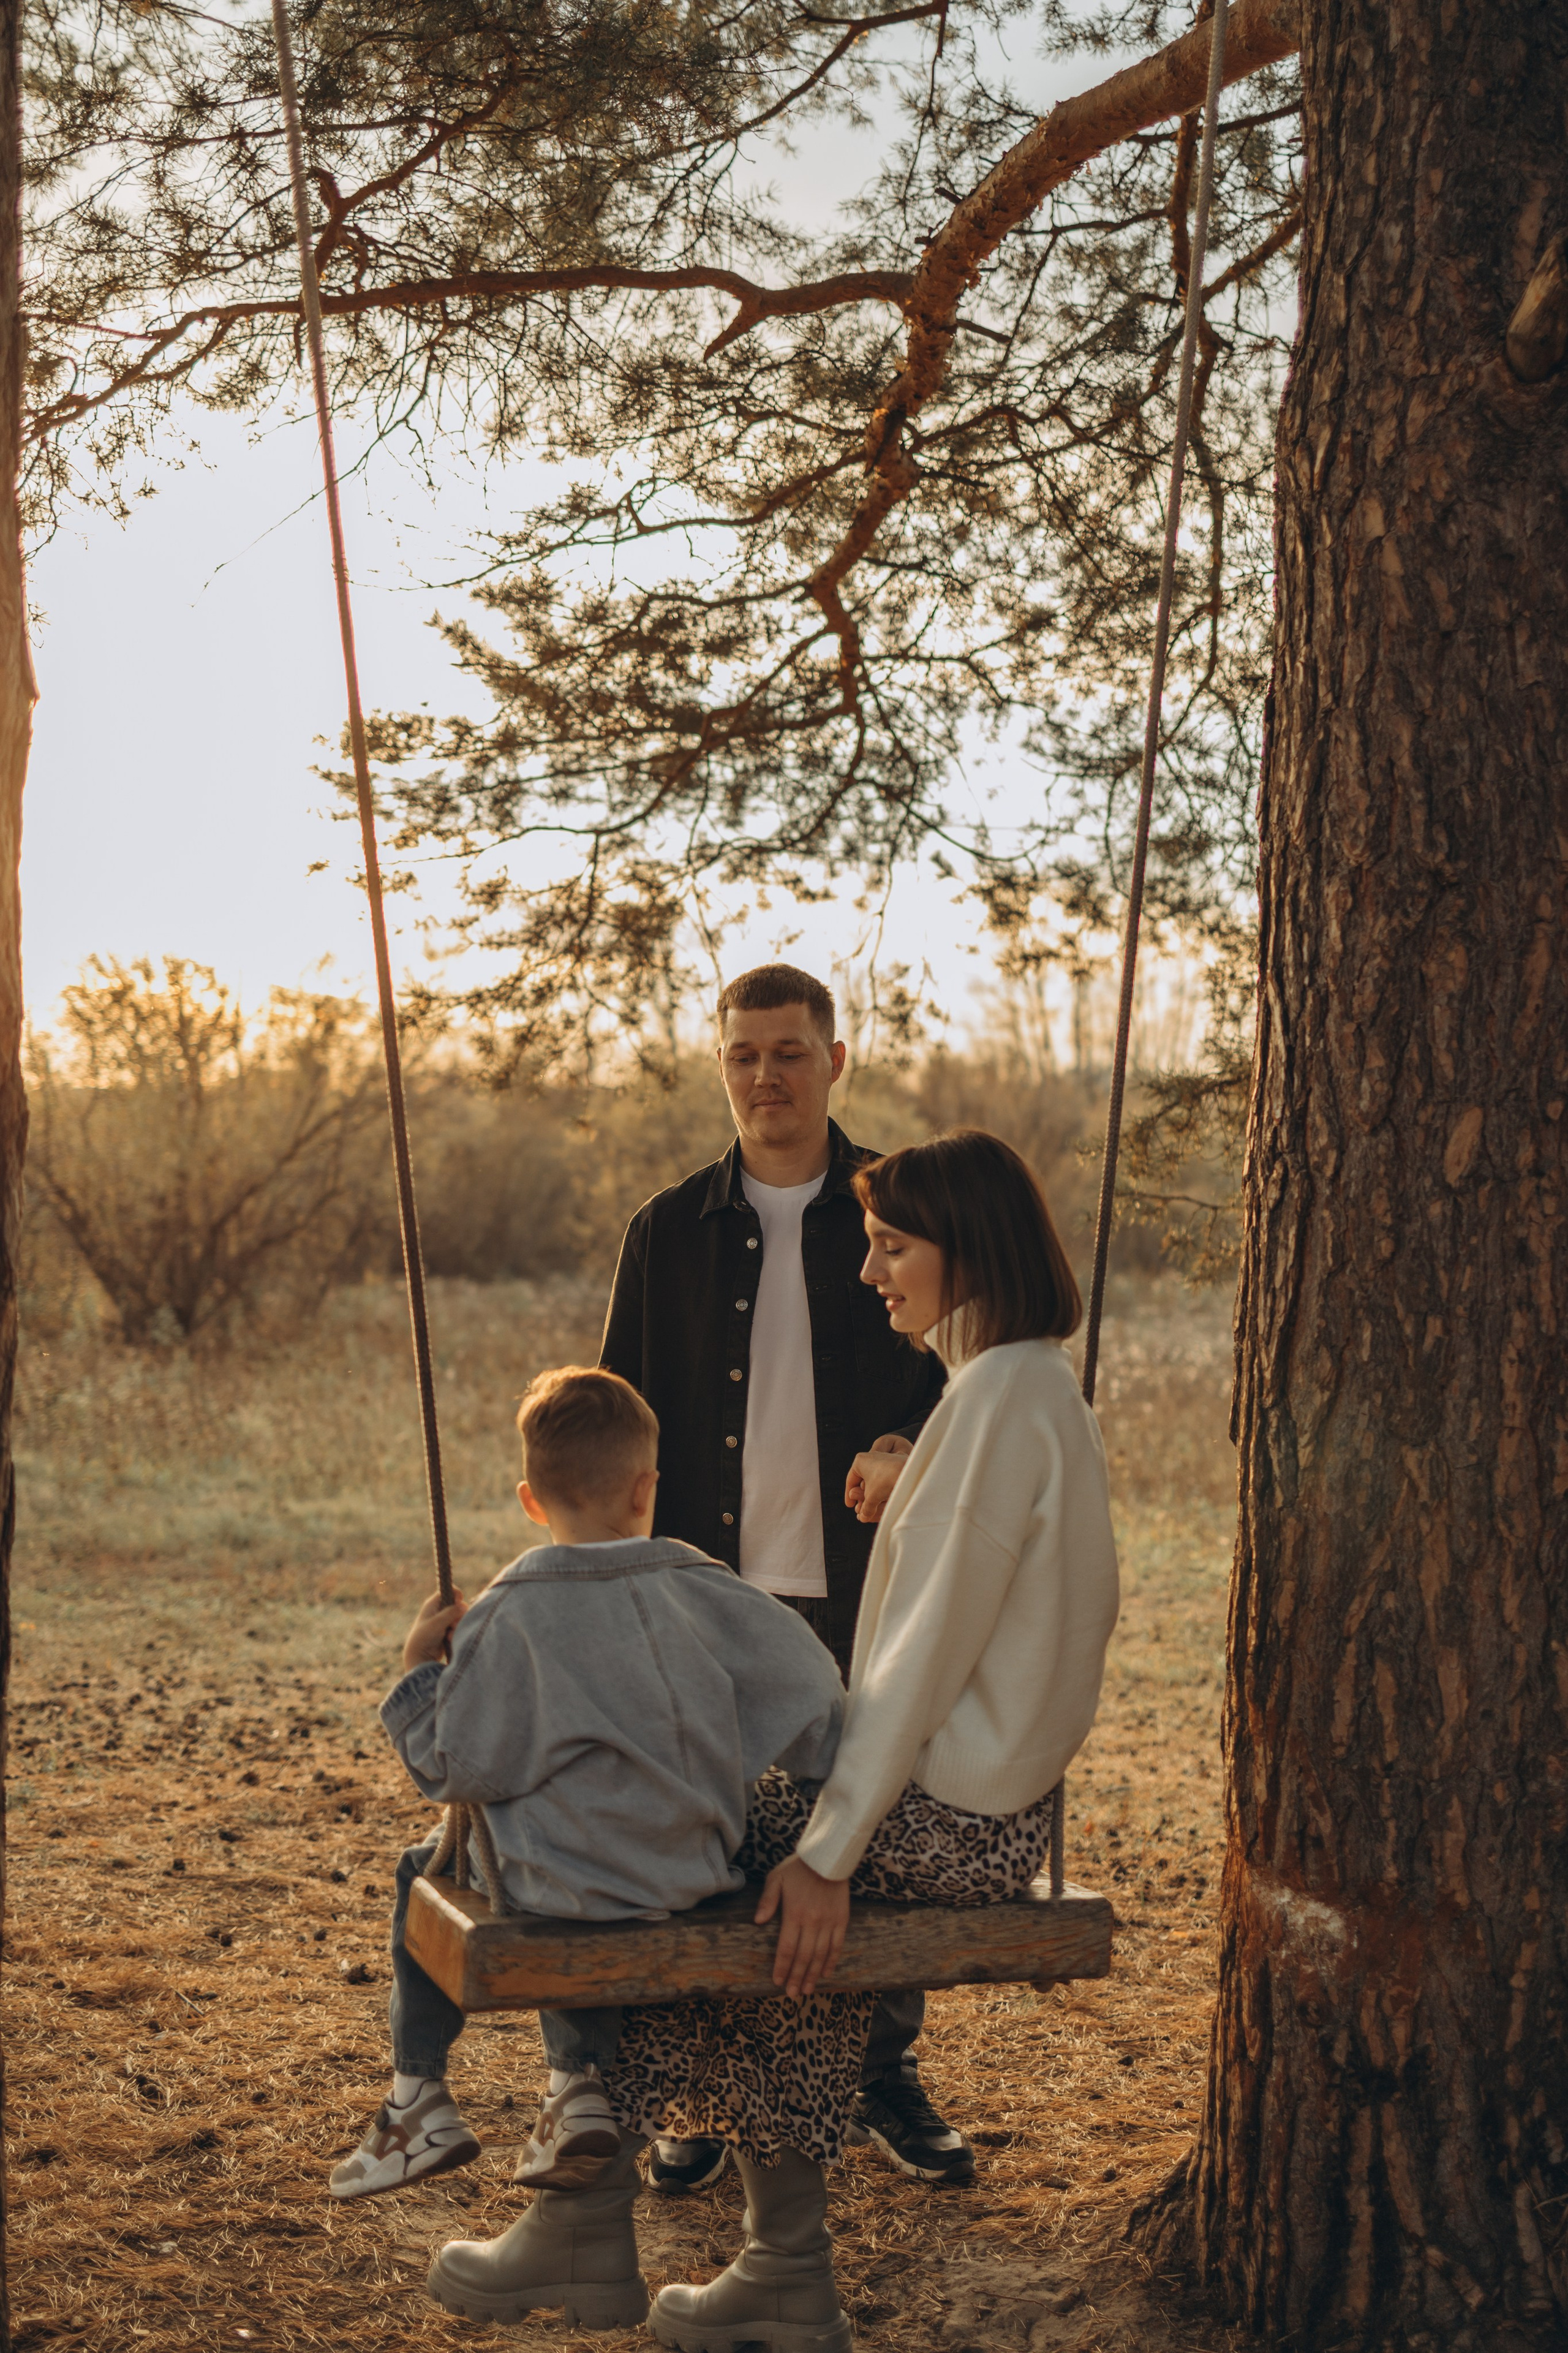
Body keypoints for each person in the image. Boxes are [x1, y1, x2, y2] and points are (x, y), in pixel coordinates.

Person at [427, 1126, 1120, 2347]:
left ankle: (587, 2207)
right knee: (781, 1956)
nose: (868, 1272)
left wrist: (829, 1848)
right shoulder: (1012, 1390)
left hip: (946, 1815)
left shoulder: (1000, 1402)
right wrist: (919, 1474)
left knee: (662, 1842)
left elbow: (919, 1666)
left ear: (969, 1250)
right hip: (977, 1805)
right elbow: (998, 1576)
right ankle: (780, 2267)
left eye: (891, 1245)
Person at [599, 960, 969, 2189]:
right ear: (722, 1066)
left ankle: (878, 2071)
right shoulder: (664, 1232)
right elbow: (617, 1416)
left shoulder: (903, 1218)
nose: (765, 1075)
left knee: (875, 1825)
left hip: (868, 1586)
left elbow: (968, 1380)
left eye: (789, 1052)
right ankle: (693, 2091)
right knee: (695, 1838)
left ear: (834, 1061)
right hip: (704, 1594)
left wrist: (915, 1443)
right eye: (743, 1053)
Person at [328, 1364, 845, 2208]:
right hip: (689, 1872)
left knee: (428, 1867)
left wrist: (420, 1671)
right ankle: (576, 2090)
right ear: (647, 1487)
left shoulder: (511, 1609)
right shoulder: (707, 1586)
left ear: (531, 1500)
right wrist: (820, 1786)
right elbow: (817, 1692)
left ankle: (417, 2096)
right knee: (573, 1833)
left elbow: (451, 1768)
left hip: (558, 1884)